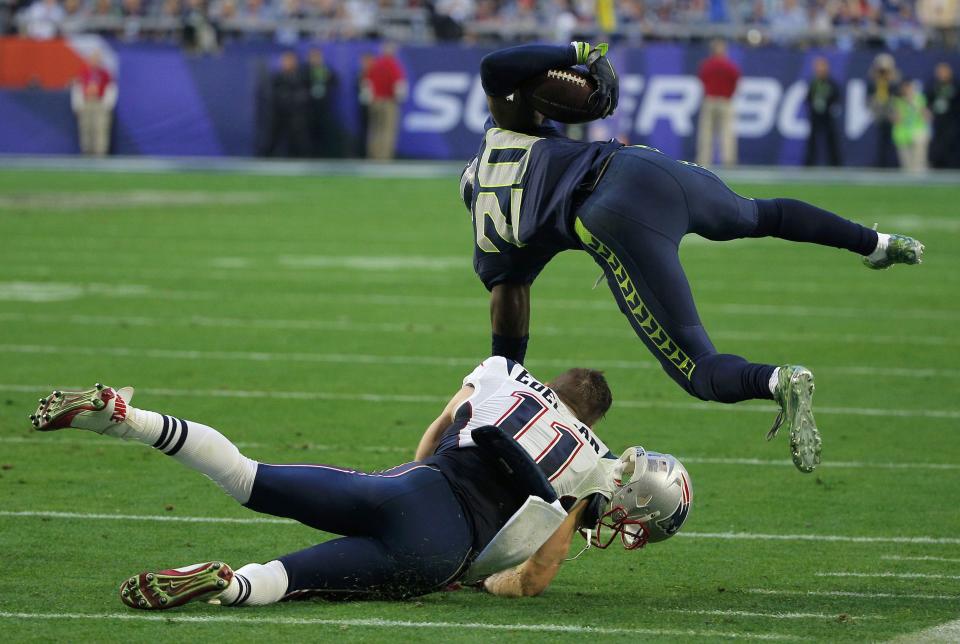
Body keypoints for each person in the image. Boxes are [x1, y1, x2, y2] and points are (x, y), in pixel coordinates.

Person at [460, 42, 926, 474]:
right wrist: (577, 52)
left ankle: (777, 381)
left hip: (613, 212)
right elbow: (496, 68)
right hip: (643, 164)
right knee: (762, 214)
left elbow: (509, 309)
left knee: (699, 369)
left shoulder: (495, 233)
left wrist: (504, 377)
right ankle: (877, 243)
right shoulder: (506, 131)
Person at [28, 358, 691, 607]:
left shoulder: (505, 375)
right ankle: (229, 584)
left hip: (407, 489)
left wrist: (411, 478)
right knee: (294, 581)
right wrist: (488, 578)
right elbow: (537, 573)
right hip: (437, 553)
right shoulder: (599, 468)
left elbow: (436, 432)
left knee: (246, 476)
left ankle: (124, 416)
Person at [696, 39, 740, 168]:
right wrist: (729, 94)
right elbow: (736, 81)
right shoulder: (729, 65)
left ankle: (704, 160)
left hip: (710, 99)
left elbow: (702, 79)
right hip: (725, 101)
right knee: (726, 132)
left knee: (706, 132)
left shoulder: (707, 65)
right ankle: (728, 161)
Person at [363, 42, 407, 160]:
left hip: (375, 101)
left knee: (374, 129)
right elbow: (399, 85)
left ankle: (372, 155)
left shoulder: (375, 64)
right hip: (388, 101)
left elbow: (366, 83)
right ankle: (383, 157)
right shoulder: (393, 64)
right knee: (387, 130)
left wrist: (370, 100)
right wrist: (399, 99)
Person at [71, 49, 117, 157]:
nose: (95, 61)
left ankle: (100, 153)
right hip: (86, 102)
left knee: (100, 128)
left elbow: (111, 89)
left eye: (97, 59)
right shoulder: (84, 73)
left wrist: (108, 104)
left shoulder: (105, 74)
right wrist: (77, 104)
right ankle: (86, 152)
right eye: (93, 59)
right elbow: (77, 88)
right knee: (85, 128)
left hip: (99, 102)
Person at [267, 51, 312, 157]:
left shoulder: (301, 76)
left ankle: (302, 158)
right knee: (273, 137)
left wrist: (294, 99)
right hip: (280, 113)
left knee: (299, 139)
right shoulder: (277, 77)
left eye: (290, 60)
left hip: (296, 114)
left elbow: (304, 94)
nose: (288, 63)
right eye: (285, 61)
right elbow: (274, 94)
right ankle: (267, 159)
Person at [804, 56, 842, 167]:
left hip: (827, 115)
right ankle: (809, 164)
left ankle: (835, 164)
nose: (820, 69)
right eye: (818, 67)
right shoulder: (813, 83)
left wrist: (829, 106)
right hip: (815, 115)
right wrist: (813, 105)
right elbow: (808, 98)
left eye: (822, 66)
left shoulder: (831, 83)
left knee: (831, 140)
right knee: (812, 140)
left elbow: (836, 98)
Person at [868, 53, 901, 168]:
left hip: (892, 114)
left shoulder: (894, 80)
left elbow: (897, 95)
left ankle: (894, 164)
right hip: (880, 114)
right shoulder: (874, 81)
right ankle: (880, 164)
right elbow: (870, 98)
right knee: (880, 141)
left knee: (893, 141)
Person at [305, 48, 339, 157]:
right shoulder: (305, 70)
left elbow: (335, 81)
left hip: (324, 107)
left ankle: (324, 155)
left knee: (324, 132)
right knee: (309, 133)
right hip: (309, 108)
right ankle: (310, 155)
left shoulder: (326, 70)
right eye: (313, 57)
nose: (315, 59)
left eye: (317, 57)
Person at [892, 79, 931, 174]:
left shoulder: (919, 98)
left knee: (919, 157)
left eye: (909, 88)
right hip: (902, 133)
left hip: (917, 130)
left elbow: (927, 116)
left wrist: (914, 105)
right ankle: (909, 179)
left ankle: (920, 172)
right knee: (906, 164)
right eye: (904, 88)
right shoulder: (897, 101)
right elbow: (896, 119)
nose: (907, 90)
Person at [926, 62, 959, 169]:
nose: (941, 74)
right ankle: (938, 167)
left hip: (952, 121)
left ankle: (953, 167)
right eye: (939, 72)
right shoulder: (934, 86)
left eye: (944, 71)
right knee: (938, 146)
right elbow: (928, 102)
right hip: (938, 122)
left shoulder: (955, 85)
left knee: (951, 145)